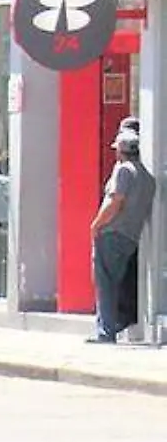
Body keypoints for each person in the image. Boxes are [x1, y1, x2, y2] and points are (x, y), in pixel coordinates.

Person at [90, 128, 155, 344]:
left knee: (105, 283)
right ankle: (113, 326)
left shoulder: (123, 171)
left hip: (112, 233)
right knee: (116, 283)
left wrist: (96, 224)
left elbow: (115, 201)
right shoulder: (148, 178)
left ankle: (105, 332)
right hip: (131, 237)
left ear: (122, 151)